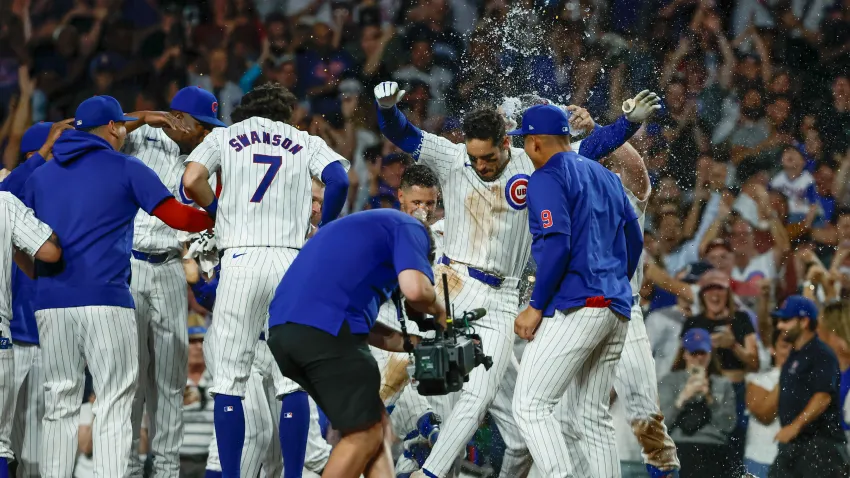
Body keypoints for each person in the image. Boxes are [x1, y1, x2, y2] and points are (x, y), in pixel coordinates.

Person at [374, 80, 655, 478]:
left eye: (488, 157)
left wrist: (625, 124)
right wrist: (386, 111)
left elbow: (589, 149)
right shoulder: (454, 157)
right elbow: (404, 134)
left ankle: (430, 473)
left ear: (507, 143)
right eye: (475, 158)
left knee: (479, 395)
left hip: (503, 295)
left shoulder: (532, 162)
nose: (481, 166)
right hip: (449, 280)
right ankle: (384, 441)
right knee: (408, 363)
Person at [22, 95, 214, 477]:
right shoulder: (125, 165)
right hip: (107, 298)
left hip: (50, 302)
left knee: (60, 402)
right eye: (122, 125)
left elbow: (15, 227)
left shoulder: (40, 174)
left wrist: (33, 272)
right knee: (114, 400)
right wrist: (218, 218)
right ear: (113, 127)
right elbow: (177, 216)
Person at [182, 82, 350, 478]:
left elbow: (191, 180)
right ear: (286, 114)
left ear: (245, 112)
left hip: (239, 260)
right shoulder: (302, 139)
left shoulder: (226, 136)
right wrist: (323, 228)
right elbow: (339, 180)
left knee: (229, 382)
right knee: (291, 382)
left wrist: (218, 208)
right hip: (290, 262)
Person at [508, 104, 644, 478]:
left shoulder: (547, 176)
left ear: (535, 142)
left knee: (530, 405)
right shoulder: (605, 175)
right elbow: (634, 240)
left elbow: (556, 245)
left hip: (579, 304)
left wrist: (535, 306)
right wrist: (614, 282)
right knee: (592, 416)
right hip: (615, 307)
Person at [266, 208, 447, 478]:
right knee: (365, 434)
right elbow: (416, 289)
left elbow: (361, 327)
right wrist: (441, 312)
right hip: (325, 332)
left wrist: (415, 343)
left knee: (374, 426)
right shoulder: (412, 228)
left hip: (287, 333)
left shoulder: (360, 233)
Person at [554, 141, 680, 477]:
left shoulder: (625, 199)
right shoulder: (565, 206)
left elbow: (637, 171)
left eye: (604, 166)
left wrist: (599, 131)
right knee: (567, 416)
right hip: (575, 313)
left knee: (645, 415)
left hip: (624, 308)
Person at [120, 85, 227, 478]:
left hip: (169, 266)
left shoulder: (207, 156)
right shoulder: (140, 134)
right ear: (178, 118)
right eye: (202, 125)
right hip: (127, 265)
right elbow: (87, 131)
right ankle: (127, 469)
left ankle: (165, 472)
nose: (207, 133)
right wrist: (146, 116)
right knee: (129, 379)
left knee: (169, 381)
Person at [3, 120, 71, 478]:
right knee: (6, 446)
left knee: (38, 452)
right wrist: (44, 152)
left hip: (49, 340)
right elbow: (7, 190)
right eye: (50, 152)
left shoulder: (61, 198)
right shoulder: (10, 198)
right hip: (10, 338)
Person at [0, 186, 62, 478]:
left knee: (26, 440)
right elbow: (48, 254)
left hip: (39, 335)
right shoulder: (9, 199)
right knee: (3, 441)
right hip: (9, 332)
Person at [679, 268, 760, 471]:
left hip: (736, 390)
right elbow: (681, 359)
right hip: (704, 389)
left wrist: (733, 345)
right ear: (702, 294)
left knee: (735, 446)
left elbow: (755, 362)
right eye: (709, 290)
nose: (715, 295)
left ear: (728, 293)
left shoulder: (741, 319)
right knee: (706, 443)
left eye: (720, 290)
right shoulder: (694, 322)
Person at [768, 296, 850, 477]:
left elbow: (823, 397)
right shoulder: (794, 356)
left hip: (821, 446)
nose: (780, 326)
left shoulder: (821, 354)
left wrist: (795, 427)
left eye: (786, 320)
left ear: (804, 321)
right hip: (795, 446)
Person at [658, 329, 737, 477]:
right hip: (679, 448)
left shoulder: (722, 384)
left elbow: (728, 426)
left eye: (703, 353)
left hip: (713, 449)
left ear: (710, 354)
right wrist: (681, 399)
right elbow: (660, 427)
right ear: (685, 354)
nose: (699, 358)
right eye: (694, 353)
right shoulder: (669, 381)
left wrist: (710, 398)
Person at [745, 331, 792, 478]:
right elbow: (765, 415)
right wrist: (787, 374)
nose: (791, 352)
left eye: (794, 347)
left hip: (794, 461)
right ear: (773, 349)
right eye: (785, 346)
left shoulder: (809, 380)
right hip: (761, 459)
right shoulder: (757, 380)